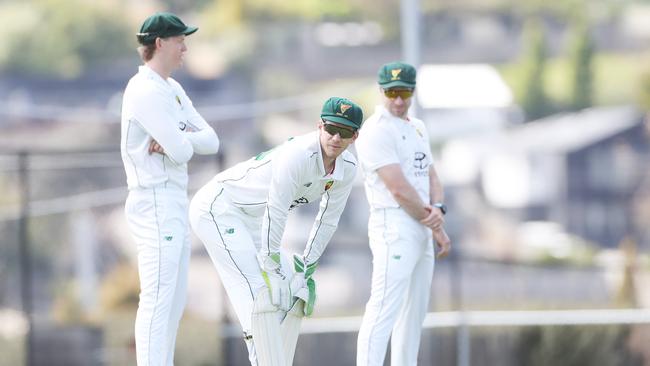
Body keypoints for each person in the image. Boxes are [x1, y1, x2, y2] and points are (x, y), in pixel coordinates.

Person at [189, 97, 363, 366]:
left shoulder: (347, 168)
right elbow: (277, 210)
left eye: (345, 133)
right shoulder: (298, 155)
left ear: (355, 136)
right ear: (319, 126)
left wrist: (306, 268)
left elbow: (328, 219)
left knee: (284, 295)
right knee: (260, 298)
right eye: (331, 129)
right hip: (218, 208)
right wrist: (270, 266)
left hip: (252, 219)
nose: (336, 138)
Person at [120, 12, 220, 366]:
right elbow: (182, 150)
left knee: (175, 301)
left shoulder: (172, 89)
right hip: (154, 200)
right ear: (160, 43)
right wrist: (181, 141)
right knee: (159, 298)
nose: (185, 48)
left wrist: (179, 138)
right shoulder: (143, 89)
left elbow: (210, 140)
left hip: (175, 200)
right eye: (180, 41)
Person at [355, 61, 451, 366]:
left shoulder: (417, 126)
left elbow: (431, 176)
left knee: (414, 314)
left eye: (405, 92)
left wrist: (437, 216)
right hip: (393, 224)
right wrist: (431, 218)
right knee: (383, 308)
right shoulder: (375, 131)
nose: (398, 100)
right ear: (382, 90)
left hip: (421, 225)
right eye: (392, 92)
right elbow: (398, 188)